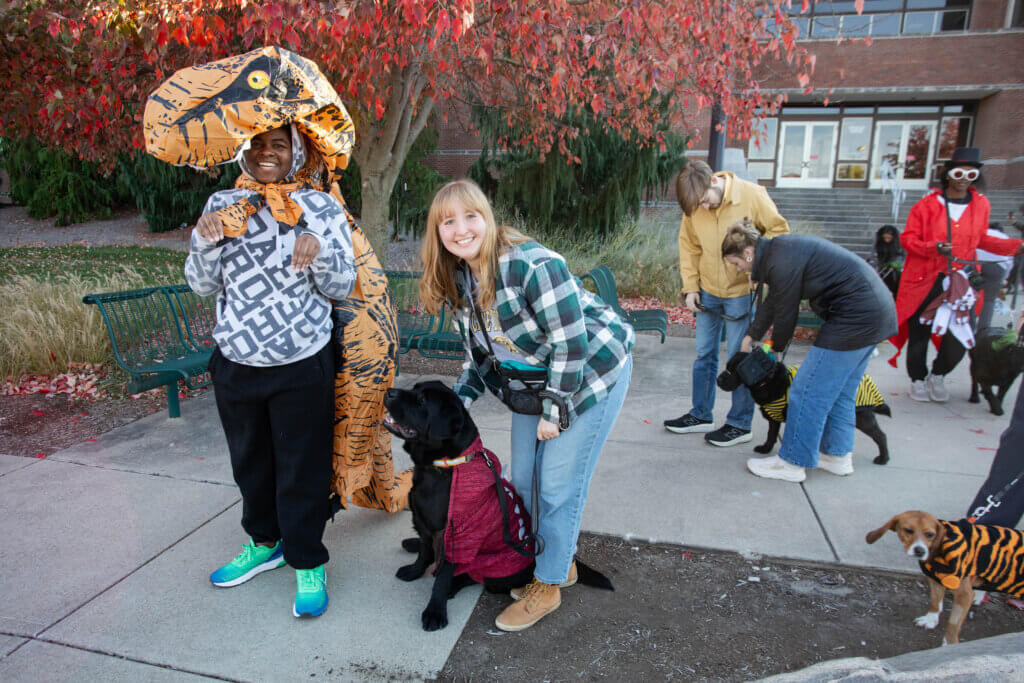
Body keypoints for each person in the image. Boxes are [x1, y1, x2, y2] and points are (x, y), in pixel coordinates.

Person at [418, 179, 634, 631]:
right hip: (534, 380)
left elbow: (571, 345)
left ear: (487, 217)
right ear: (437, 233)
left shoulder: (532, 266)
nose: (461, 229)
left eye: (470, 216)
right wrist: (454, 407)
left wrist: (554, 413)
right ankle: (561, 561)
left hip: (591, 369)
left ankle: (549, 582)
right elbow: (481, 356)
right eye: (448, 221)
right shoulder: (461, 276)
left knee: (557, 482)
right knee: (523, 479)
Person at [185, 125, 357, 618]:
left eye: (278, 145)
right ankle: (265, 543)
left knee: (302, 466)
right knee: (250, 462)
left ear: (295, 152)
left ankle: (306, 560)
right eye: (256, 144)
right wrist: (205, 240)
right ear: (243, 150)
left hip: (302, 359)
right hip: (237, 360)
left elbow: (345, 285)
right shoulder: (223, 203)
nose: (266, 153)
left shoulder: (320, 207)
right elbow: (200, 285)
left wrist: (319, 254)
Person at [721, 221, 897, 483]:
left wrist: (774, 351)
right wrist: (752, 335)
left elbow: (787, 313)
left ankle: (792, 462)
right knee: (841, 392)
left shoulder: (779, 260)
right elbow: (775, 301)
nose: (739, 269)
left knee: (806, 390)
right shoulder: (781, 252)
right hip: (874, 313)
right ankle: (836, 456)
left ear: (748, 252)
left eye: (736, 263)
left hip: (855, 318)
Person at [665, 160, 789, 447]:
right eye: (698, 205)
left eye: (705, 201)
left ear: (713, 183)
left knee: (741, 359)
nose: (703, 208)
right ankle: (700, 414)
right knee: (704, 356)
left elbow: (780, 232)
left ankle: (739, 424)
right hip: (708, 292)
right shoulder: (695, 204)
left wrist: (758, 268)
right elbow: (689, 246)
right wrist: (691, 287)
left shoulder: (752, 195)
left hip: (740, 293)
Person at [890, 147, 1023, 403]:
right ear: (948, 174)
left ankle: (938, 375)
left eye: (970, 173)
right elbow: (907, 239)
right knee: (920, 331)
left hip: (963, 279)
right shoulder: (927, 205)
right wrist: (933, 247)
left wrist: (1016, 246)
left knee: (960, 336)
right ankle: (917, 378)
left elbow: (982, 239)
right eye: (959, 172)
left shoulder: (981, 205)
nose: (964, 177)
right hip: (926, 279)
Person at [974, 223, 1016, 334]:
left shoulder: (980, 233)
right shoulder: (1005, 238)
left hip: (975, 264)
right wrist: (1004, 278)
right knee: (989, 300)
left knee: (970, 296)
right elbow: (1009, 261)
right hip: (996, 267)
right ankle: (982, 330)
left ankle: (967, 325)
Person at [871, 224, 903, 299]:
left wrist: (895, 264)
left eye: (889, 238)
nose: (887, 240)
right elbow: (873, 256)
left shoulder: (899, 244)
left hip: (895, 270)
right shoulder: (878, 244)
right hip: (882, 266)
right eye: (885, 238)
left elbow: (902, 256)